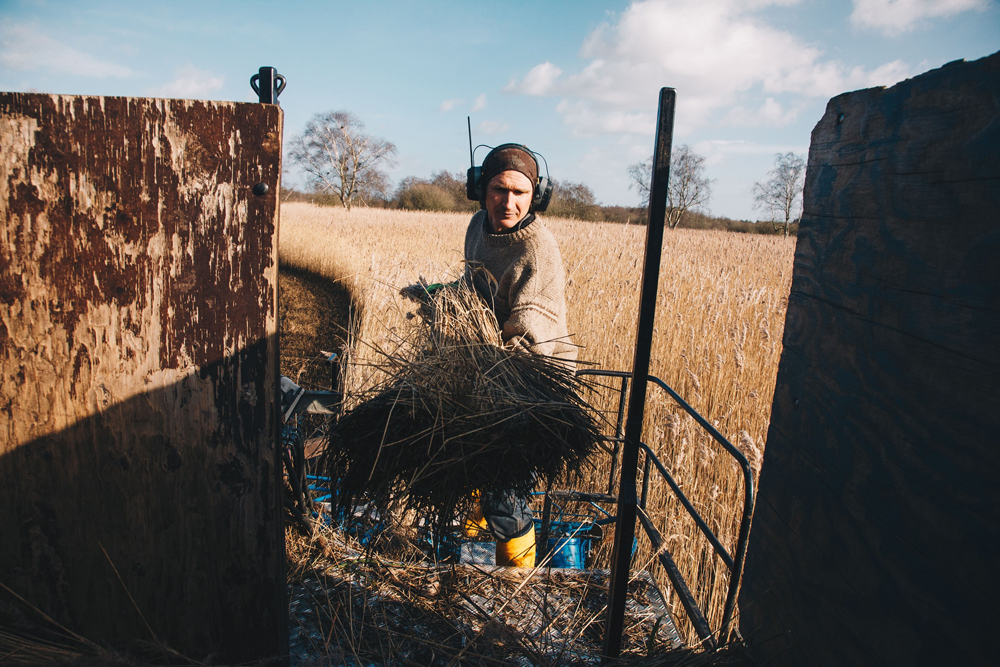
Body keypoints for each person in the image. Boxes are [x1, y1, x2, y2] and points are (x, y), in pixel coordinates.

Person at [462, 143, 576, 567]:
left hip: (533, 378)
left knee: (504, 492)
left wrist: (483, 376)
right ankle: (475, 535)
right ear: (481, 191)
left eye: (519, 193)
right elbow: (474, 287)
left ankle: (515, 583)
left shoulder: (538, 250)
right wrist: (445, 298)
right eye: (497, 189)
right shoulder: (478, 226)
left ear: (535, 197)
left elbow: (528, 338)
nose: (507, 202)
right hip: (490, 366)